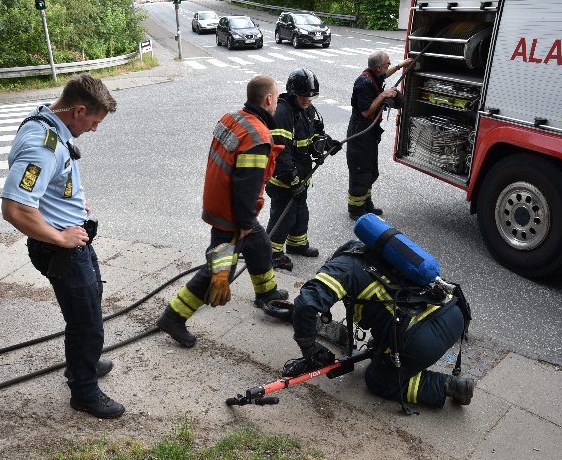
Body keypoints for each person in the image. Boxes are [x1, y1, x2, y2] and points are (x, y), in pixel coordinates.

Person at [1, 74, 124, 419]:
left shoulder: (45, 120)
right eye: (95, 121)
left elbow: (50, 182)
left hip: (73, 239)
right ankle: (84, 391)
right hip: (62, 249)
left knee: (88, 305)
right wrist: (59, 237)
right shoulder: (42, 146)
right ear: (79, 109)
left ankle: (82, 361)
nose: (96, 129)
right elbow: (14, 208)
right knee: (87, 321)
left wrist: (71, 201)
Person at [157, 75, 289, 348]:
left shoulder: (232, 118)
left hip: (218, 202)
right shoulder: (258, 137)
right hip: (232, 214)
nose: (277, 102)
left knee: (260, 245)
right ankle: (173, 316)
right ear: (268, 99)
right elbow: (246, 187)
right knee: (220, 272)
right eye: (276, 97)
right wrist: (244, 222)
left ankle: (267, 293)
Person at [283, 239, 475, 409]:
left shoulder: (340, 270)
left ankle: (449, 386)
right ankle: (395, 354)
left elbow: (306, 304)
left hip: (423, 340)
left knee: (377, 380)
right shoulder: (373, 250)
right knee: (381, 340)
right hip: (454, 311)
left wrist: (309, 349)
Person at [266, 68, 341, 272]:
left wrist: (326, 144)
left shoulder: (307, 110)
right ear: (292, 93)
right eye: (304, 96)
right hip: (284, 180)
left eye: (312, 96)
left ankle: (297, 244)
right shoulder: (282, 114)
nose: (309, 100)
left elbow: (314, 134)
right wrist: (293, 180)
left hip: (301, 176)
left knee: (301, 213)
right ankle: (272, 253)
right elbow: (281, 153)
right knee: (283, 216)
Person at [347, 51, 413, 220]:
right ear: (378, 67)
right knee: (361, 172)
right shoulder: (363, 83)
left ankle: (366, 203)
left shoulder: (374, 76)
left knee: (370, 171)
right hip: (360, 133)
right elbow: (366, 111)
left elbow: (385, 74)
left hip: (370, 132)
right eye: (387, 64)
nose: (389, 66)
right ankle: (356, 209)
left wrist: (401, 66)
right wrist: (383, 95)